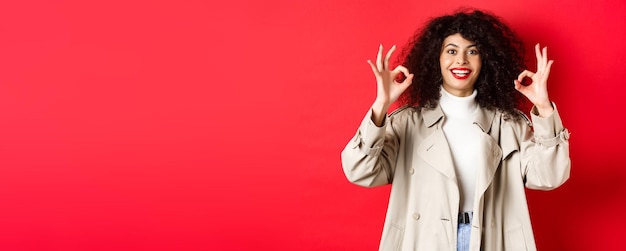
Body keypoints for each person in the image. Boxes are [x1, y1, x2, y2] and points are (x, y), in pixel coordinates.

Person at [340, 9, 570, 251]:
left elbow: (550, 176)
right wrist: (380, 106)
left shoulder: (509, 124)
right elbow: (359, 171)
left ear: (486, 60)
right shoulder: (407, 123)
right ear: (435, 59)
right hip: (424, 240)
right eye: (451, 51)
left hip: (490, 241)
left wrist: (544, 109)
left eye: (472, 51)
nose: (461, 60)